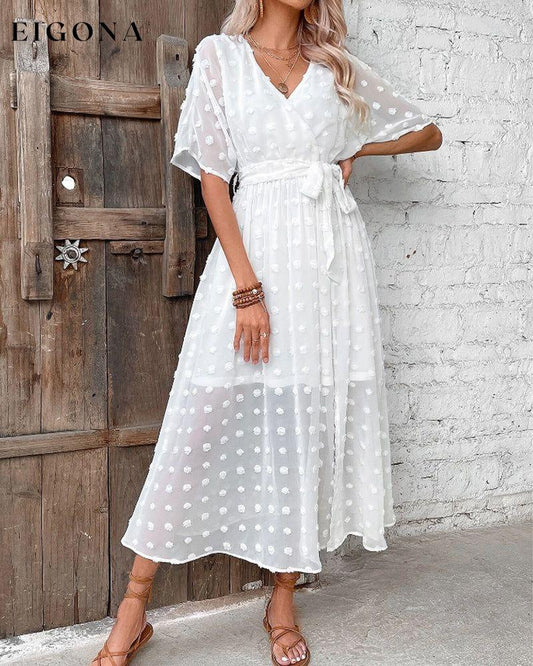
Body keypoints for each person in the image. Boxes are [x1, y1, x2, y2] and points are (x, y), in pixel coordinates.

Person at [91, 1, 442, 664]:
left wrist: (351, 146)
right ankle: (134, 606)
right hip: (253, 258)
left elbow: (427, 134)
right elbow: (214, 182)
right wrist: (246, 291)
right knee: (200, 416)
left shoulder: (334, 67)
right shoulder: (220, 58)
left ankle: (282, 598)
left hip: (330, 267)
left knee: (308, 420)